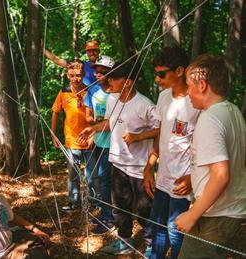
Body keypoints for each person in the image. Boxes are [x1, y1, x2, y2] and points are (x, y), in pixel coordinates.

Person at [79, 60, 159, 256]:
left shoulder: (144, 104)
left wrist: (138, 136)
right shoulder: (112, 99)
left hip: (139, 167)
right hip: (117, 162)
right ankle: (124, 241)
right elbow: (110, 122)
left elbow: (160, 129)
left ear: (128, 82)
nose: (109, 81)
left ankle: (151, 246)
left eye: (114, 78)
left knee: (143, 209)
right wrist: (93, 128)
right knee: (119, 207)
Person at [175, 54, 246, 258]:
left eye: (189, 85)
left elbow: (221, 175)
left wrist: (192, 214)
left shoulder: (210, 119)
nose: (188, 92)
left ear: (202, 85)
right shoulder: (232, 111)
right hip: (224, 210)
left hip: (216, 216)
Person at [143, 46, 200, 259]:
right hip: (163, 177)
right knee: (156, 224)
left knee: (175, 231)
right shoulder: (164, 97)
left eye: (161, 74)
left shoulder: (196, 103)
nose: (157, 79)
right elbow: (161, 132)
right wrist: (149, 166)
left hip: (182, 181)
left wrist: (193, 178)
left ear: (179, 71)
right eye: (156, 73)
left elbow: (203, 146)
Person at [51, 59, 99, 212]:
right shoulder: (63, 92)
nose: (75, 79)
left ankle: (94, 202)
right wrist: (54, 135)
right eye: (72, 75)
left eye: (78, 75)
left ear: (83, 75)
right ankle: (74, 201)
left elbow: (97, 115)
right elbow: (55, 112)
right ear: (67, 75)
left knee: (92, 174)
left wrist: (94, 134)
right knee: (73, 174)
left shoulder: (90, 91)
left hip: (89, 140)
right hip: (71, 141)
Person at [0, 165, 51, 258]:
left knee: (41, 240)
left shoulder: (1, 199)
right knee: (32, 256)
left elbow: (12, 217)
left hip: (10, 242)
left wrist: (35, 229)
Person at [81, 55, 115, 235]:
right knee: (103, 181)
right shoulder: (92, 91)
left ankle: (110, 217)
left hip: (116, 145)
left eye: (102, 72)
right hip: (100, 142)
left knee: (110, 181)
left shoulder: (117, 91)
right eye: (96, 71)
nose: (97, 74)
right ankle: (107, 214)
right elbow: (88, 115)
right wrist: (94, 124)